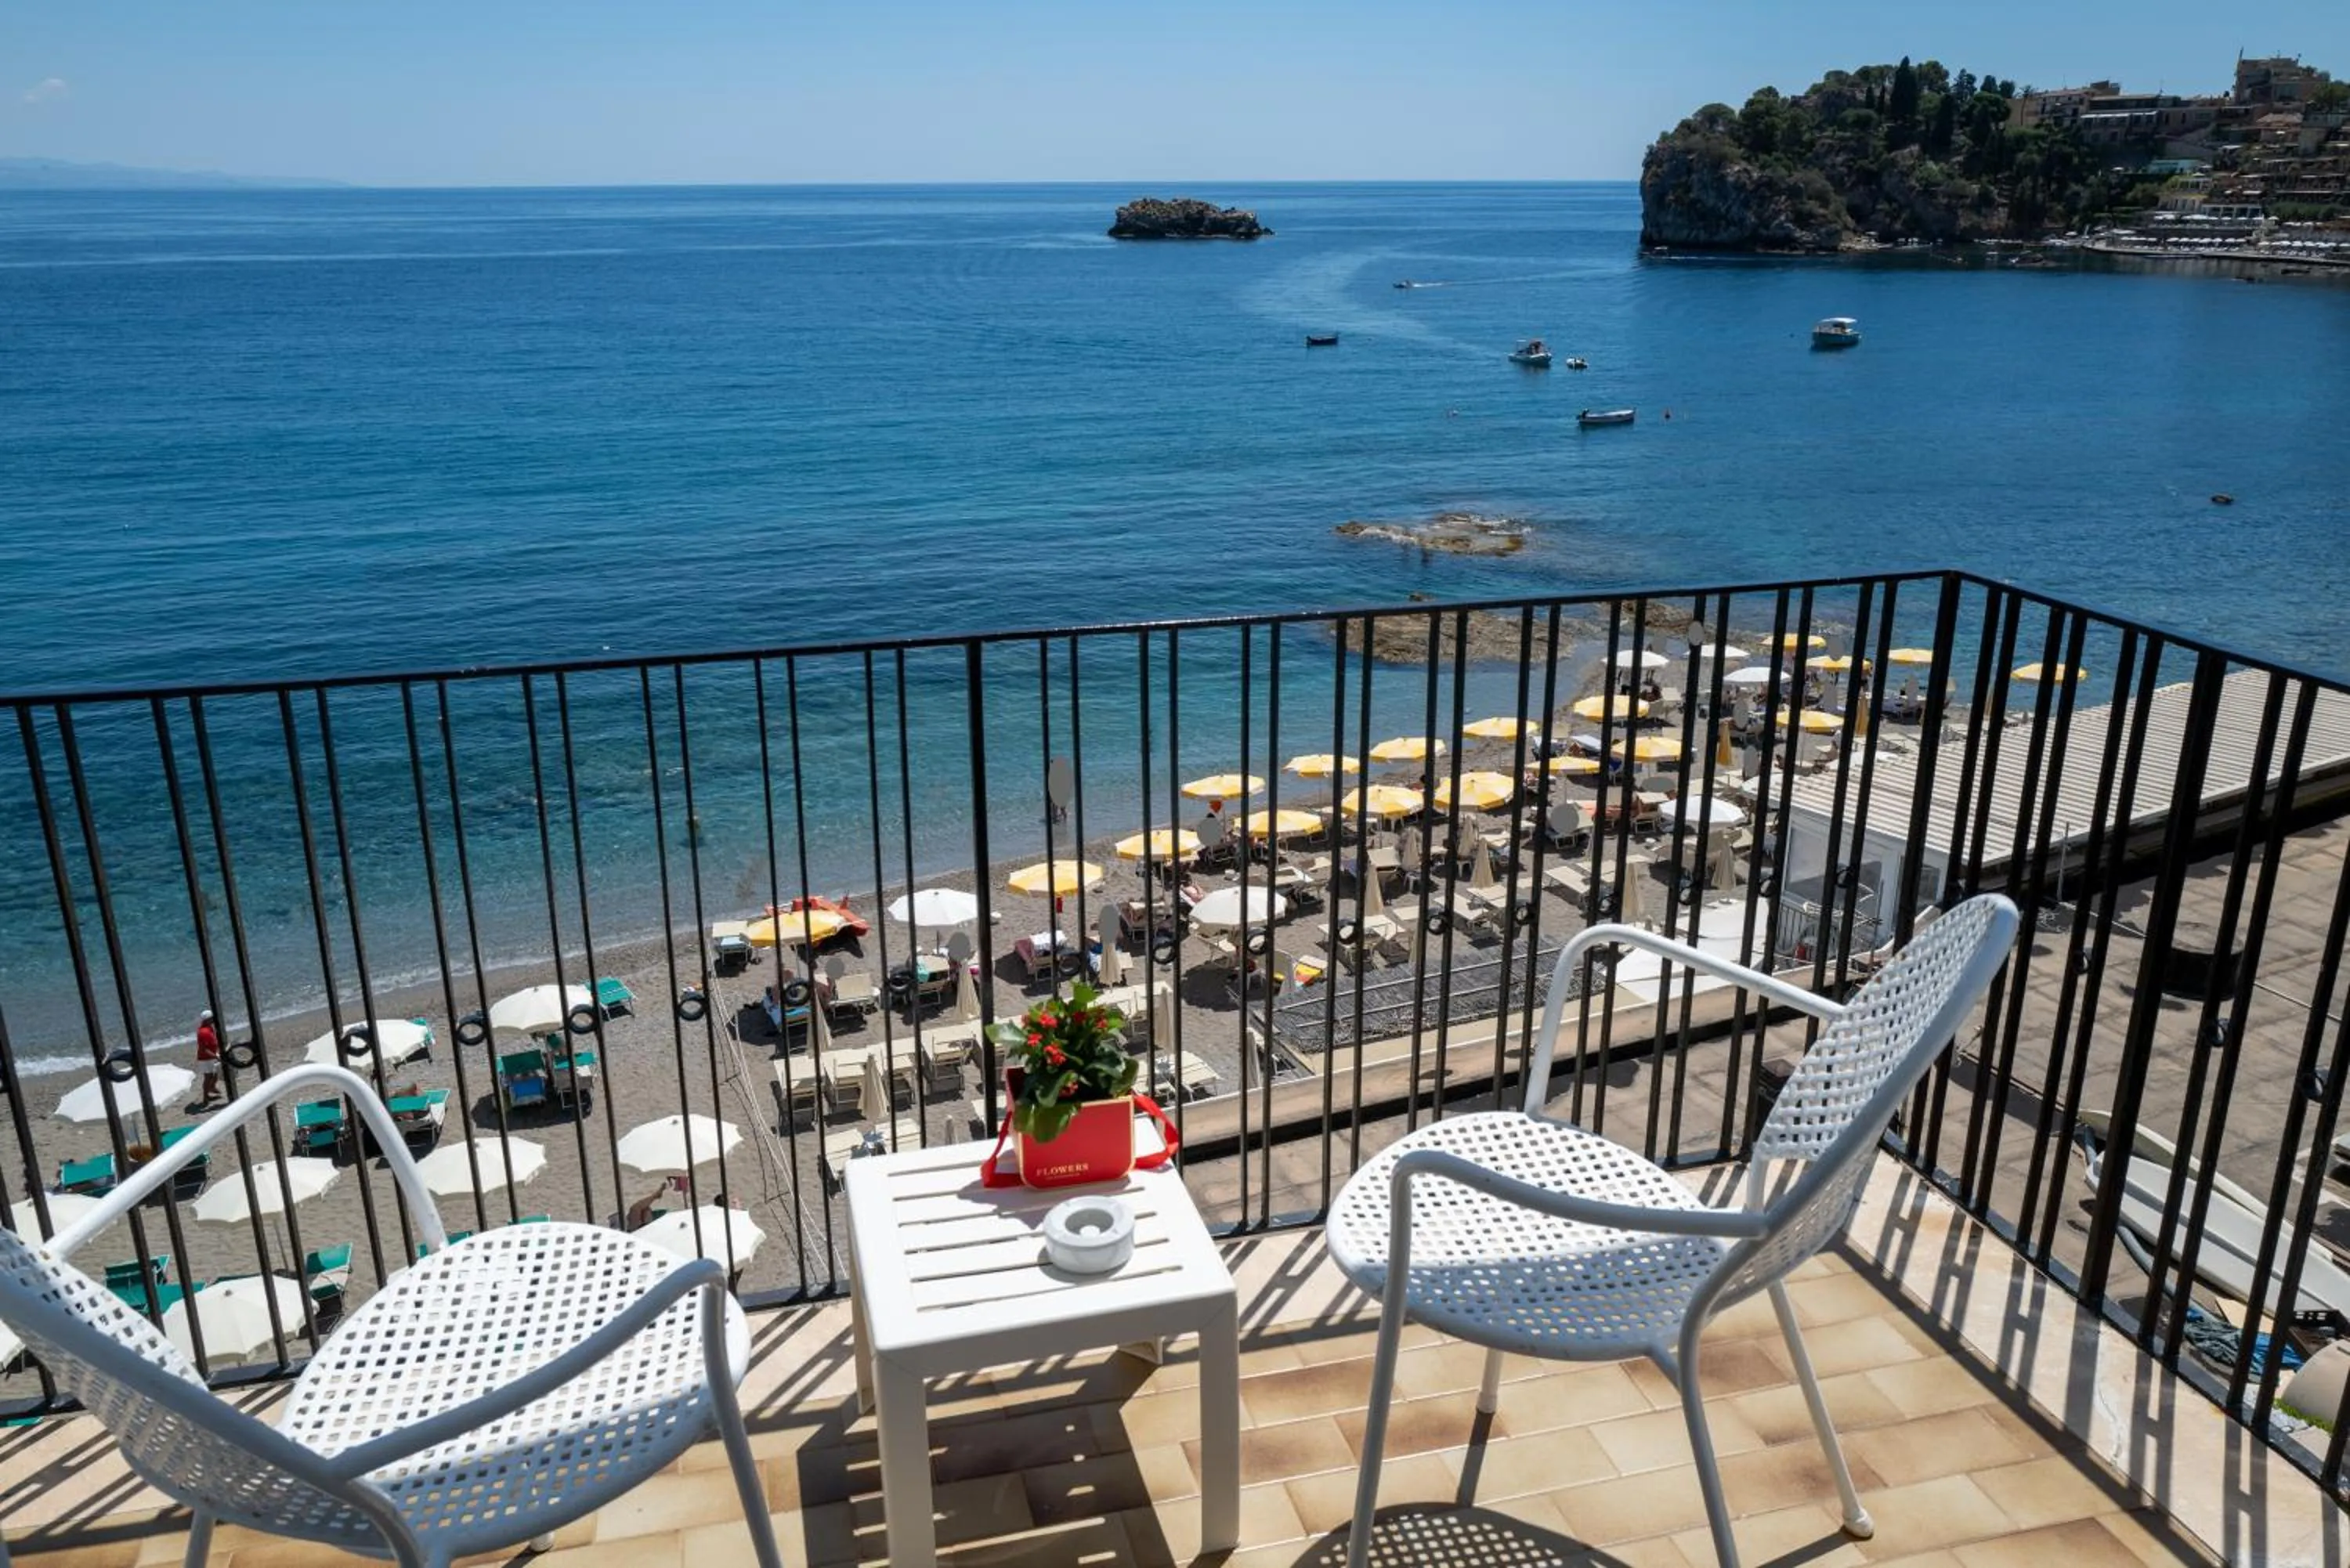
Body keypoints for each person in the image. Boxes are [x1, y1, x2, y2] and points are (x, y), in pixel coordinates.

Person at [190, 1009, 223, 1111]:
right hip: (205, 1058)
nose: (214, 1020)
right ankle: (206, 1098)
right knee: (208, 1077)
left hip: (211, 1056)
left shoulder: (209, 1028)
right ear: (208, 1019)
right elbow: (203, 1049)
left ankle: (211, 1088)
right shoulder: (203, 1032)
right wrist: (215, 1056)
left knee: (215, 1074)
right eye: (212, 1018)